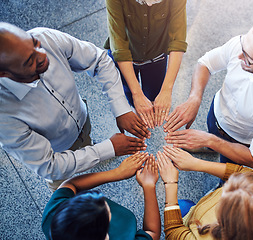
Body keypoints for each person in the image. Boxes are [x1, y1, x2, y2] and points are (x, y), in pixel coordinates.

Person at [0, 22, 150, 190]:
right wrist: (108, 149)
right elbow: (50, 167)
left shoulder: (44, 36)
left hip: (82, 119)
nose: (42, 55)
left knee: (86, 143)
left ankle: (89, 149)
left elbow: (99, 60)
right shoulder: (4, 116)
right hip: (57, 153)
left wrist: (121, 109)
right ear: (3, 74)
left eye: (35, 45)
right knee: (67, 192)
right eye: (29, 61)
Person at [163, 16, 253, 169]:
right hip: (216, 113)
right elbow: (206, 63)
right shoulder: (246, 46)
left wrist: (210, 141)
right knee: (213, 133)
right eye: (243, 47)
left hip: (239, 142)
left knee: (229, 174)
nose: (239, 56)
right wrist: (194, 98)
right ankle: (209, 149)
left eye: (249, 59)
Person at [157, 146, 253, 240]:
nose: (222, 189)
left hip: (191, 225)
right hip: (198, 215)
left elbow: (174, 233)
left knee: (179, 207)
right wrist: (195, 164)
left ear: (225, 221)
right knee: (184, 206)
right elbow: (241, 172)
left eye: (224, 195)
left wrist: (170, 183)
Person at [105, 0, 187, 128]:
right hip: (125, 59)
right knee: (129, 93)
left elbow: (178, 40)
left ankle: (147, 108)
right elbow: (119, 46)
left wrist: (167, 90)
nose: (150, 5)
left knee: (155, 92)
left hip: (157, 57)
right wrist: (137, 95)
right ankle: (136, 108)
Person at [42, 152, 161, 240]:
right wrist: (149, 186)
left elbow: (69, 185)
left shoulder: (52, 216)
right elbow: (152, 233)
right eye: (108, 214)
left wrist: (116, 173)